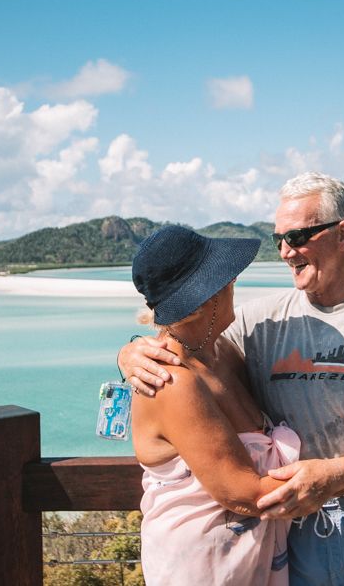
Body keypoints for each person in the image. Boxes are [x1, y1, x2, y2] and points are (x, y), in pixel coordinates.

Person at [121, 172, 344, 585]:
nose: (285, 251)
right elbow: (181, 350)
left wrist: (340, 477)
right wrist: (131, 352)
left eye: (297, 236)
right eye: (278, 238)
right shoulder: (257, 322)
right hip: (294, 530)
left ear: (343, 235)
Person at [128, 225, 302, 585]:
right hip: (203, 568)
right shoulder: (171, 381)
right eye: (224, 278)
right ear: (200, 302)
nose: (233, 280)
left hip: (245, 562)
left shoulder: (223, 352)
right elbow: (245, 494)